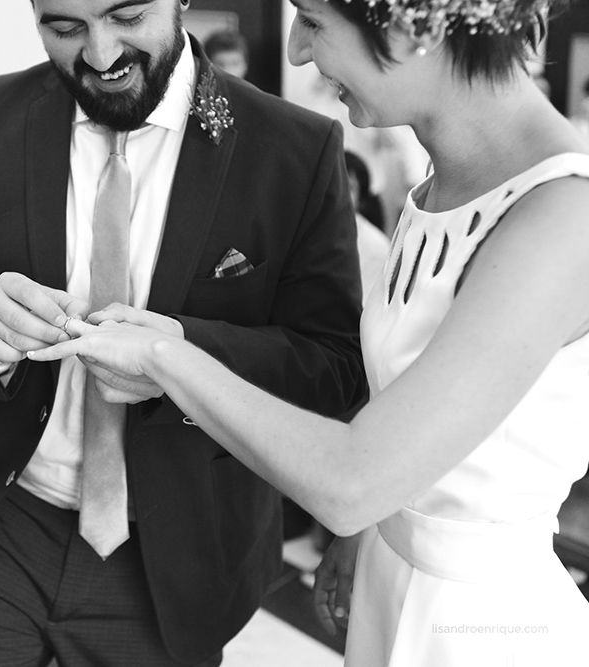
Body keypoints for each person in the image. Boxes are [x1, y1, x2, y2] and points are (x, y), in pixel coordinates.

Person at [29, 0, 589, 663]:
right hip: (390, 573)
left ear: (419, 27)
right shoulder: (445, 182)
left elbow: (353, 482)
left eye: (315, 22)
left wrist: (165, 354)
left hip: (482, 626)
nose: (296, 51)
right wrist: (370, 537)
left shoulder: (564, 217)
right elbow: (410, 420)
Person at [0, 0, 367, 664]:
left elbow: (334, 365)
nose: (102, 54)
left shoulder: (293, 148)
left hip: (174, 551)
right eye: (65, 28)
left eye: (128, 17)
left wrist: (179, 357)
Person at [345, 150, 390, 301]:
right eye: (333, 183)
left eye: (349, 187)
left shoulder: (375, 248)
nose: (338, 192)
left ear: (361, 200)